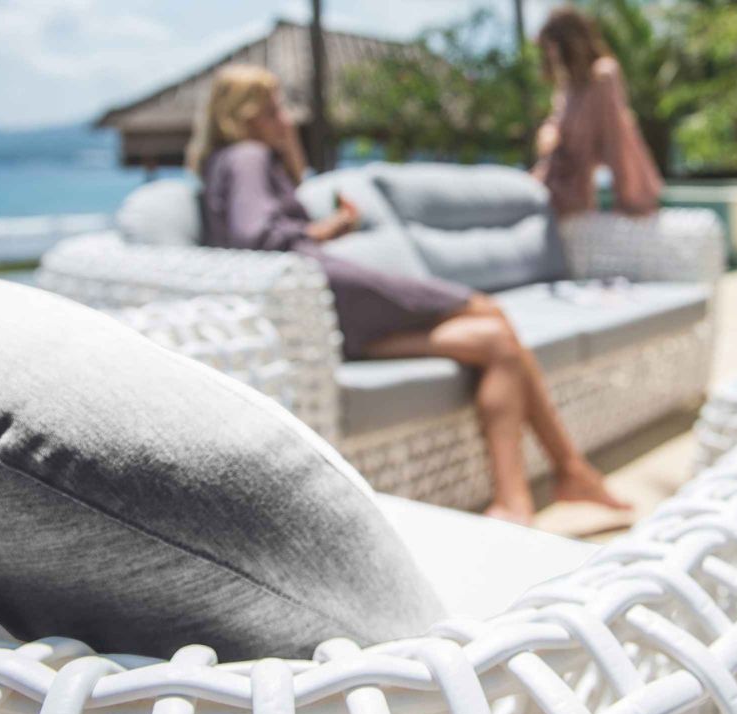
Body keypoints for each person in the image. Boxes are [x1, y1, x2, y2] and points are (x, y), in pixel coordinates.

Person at [189, 64, 630, 524]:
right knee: (488, 308)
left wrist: (324, 214)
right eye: (275, 107)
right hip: (329, 293)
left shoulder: (236, 161)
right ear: (246, 114)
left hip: (325, 324)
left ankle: (525, 496)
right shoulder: (246, 156)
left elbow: (266, 231)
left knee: (496, 344)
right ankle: (569, 472)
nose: (286, 116)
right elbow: (256, 236)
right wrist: (313, 209)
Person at [534, 7, 663, 218]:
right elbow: (555, 123)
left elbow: (616, 139)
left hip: (576, 196)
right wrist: (548, 133)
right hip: (557, 186)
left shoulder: (602, 76)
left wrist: (627, 198)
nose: (551, 56)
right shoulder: (568, 87)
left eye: (553, 48)